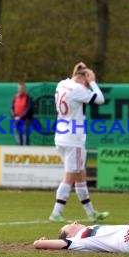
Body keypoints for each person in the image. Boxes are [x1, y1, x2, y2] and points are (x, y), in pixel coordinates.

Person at [49, 62, 109, 223]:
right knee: (69, 177)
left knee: (80, 175)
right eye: (87, 80)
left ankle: (91, 213)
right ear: (84, 78)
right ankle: (56, 212)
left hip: (61, 135)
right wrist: (93, 82)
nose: (87, 84)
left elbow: (75, 79)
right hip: (73, 139)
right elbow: (100, 99)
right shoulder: (79, 89)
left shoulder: (62, 84)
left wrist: (80, 73)